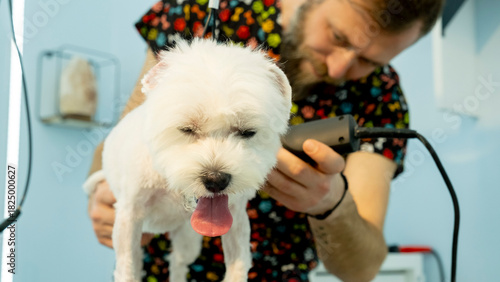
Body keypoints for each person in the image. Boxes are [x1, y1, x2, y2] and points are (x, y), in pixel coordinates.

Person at [86, 0, 444, 281]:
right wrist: (105, 188)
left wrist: (332, 205)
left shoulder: (380, 97)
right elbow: (128, 132)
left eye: (368, 60)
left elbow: (363, 269)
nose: (339, 68)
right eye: (338, 36)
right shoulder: (194, 16)